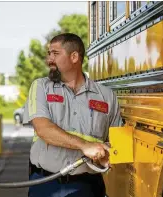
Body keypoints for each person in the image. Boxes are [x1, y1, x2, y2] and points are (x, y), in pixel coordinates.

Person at [23, 33, 122, 197]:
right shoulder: (40, 87)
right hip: (45, 185)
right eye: (49, 54)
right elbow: (43, 129)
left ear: (74, 57)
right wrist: (85, 145)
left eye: (55, 54)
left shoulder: (107, 96)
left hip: (88, 187)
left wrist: (105, 155)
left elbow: (115, 143)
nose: (49, 60)